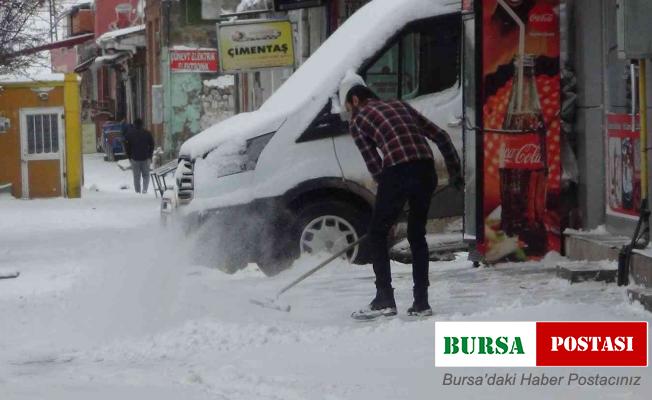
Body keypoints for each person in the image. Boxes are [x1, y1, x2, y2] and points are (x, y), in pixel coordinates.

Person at [340, 73, 463, 320]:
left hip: (397, 171)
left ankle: (384, 299)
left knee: (377, 234)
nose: (349, 112)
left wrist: (388, 204)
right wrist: (454, 173)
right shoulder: (399, 105)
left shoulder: (359, 120)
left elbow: (375, 165)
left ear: (354, 99)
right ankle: (421, 302)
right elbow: (442, 136)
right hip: (426, 169)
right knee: (417, 235)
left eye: (347, 107)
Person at [123, 118, 154, 194]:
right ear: (142, 124)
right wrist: (150, 156)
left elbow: (126, 146)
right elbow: (152, 144)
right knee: (146, 175)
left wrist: (129, 156)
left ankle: (137, 192)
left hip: (134, 159)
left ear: (134, 124)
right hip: (145, 158)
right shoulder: (147, 133)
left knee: (136, 177)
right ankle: (145, 190)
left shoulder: (130, 133)